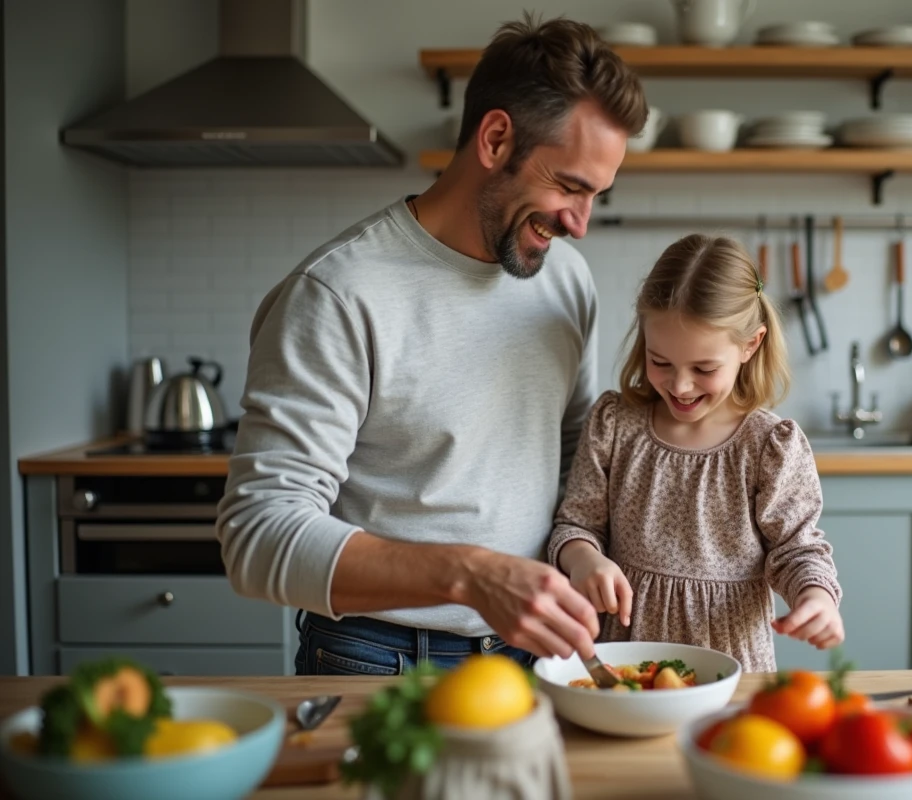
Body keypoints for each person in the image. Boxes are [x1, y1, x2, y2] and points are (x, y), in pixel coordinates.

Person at [216, 14, 648, 675]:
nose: (581, 225)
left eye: (597, 196)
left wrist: (578, 552)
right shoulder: (339, 292)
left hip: (535, 653)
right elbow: (258, 535)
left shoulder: (564, 280)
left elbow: (573, 462)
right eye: (569, 186)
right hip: (378, 656)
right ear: (497, 138)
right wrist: (470, 575)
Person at [547, 234, 845, 673]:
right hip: (626, 662)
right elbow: (575, 525)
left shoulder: (768, 446)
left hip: (730, 666)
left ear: (750, 345)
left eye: (704, 369)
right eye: (660, 361)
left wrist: (816, 598)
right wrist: (583, 558)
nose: (680, 386)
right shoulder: (615, 424)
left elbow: (797, 549)